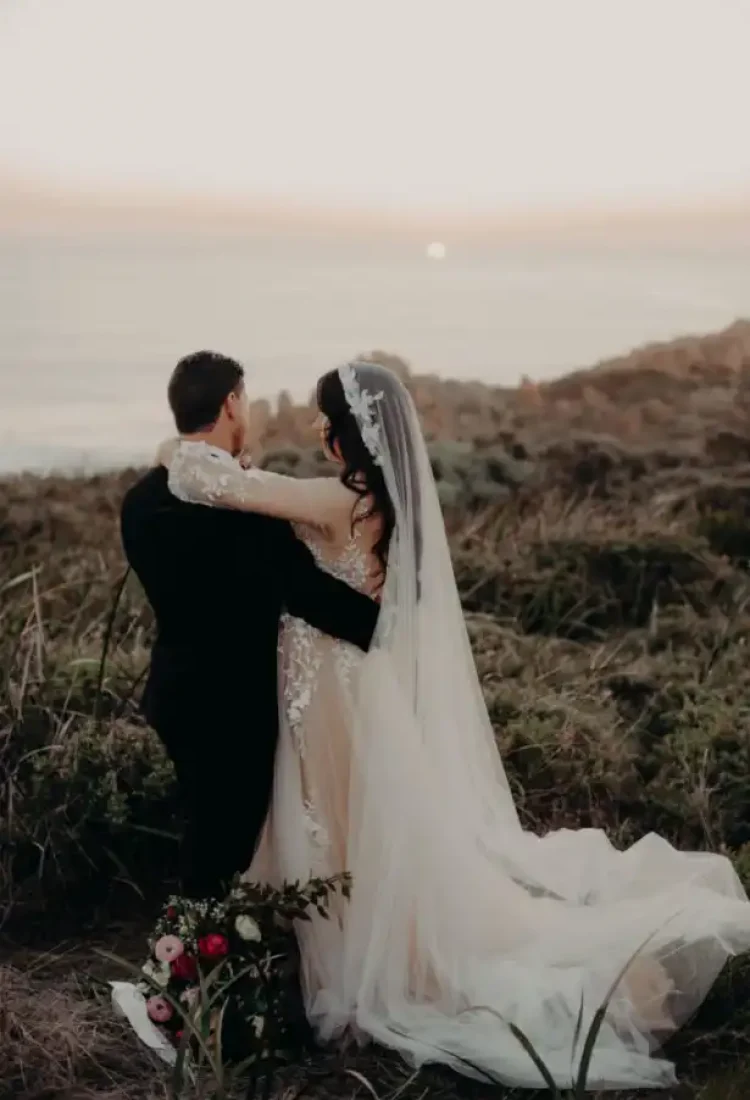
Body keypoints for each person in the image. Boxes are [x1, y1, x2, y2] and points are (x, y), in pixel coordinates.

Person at [135, 360, 750, 1089]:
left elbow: (227, 485)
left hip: (330, 687)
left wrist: (175, 449)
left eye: (326, 418)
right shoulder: (376, 498)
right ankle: (310, 940)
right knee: (343, 816)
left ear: (351, 432)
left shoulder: (341, 501)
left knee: (335, 813)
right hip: (338, 680)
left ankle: (342, 952)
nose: (315, 428)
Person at [119, 351, 378, 901]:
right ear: (232, 403)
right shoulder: (243, 511)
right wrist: (387, 627)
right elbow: (303, 589)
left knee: (207, 830)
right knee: (228, 844)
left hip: (174, 689)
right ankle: (202, 967)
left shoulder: (139, 500)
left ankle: (201, 954)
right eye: (247, 402)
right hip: (237, 700)